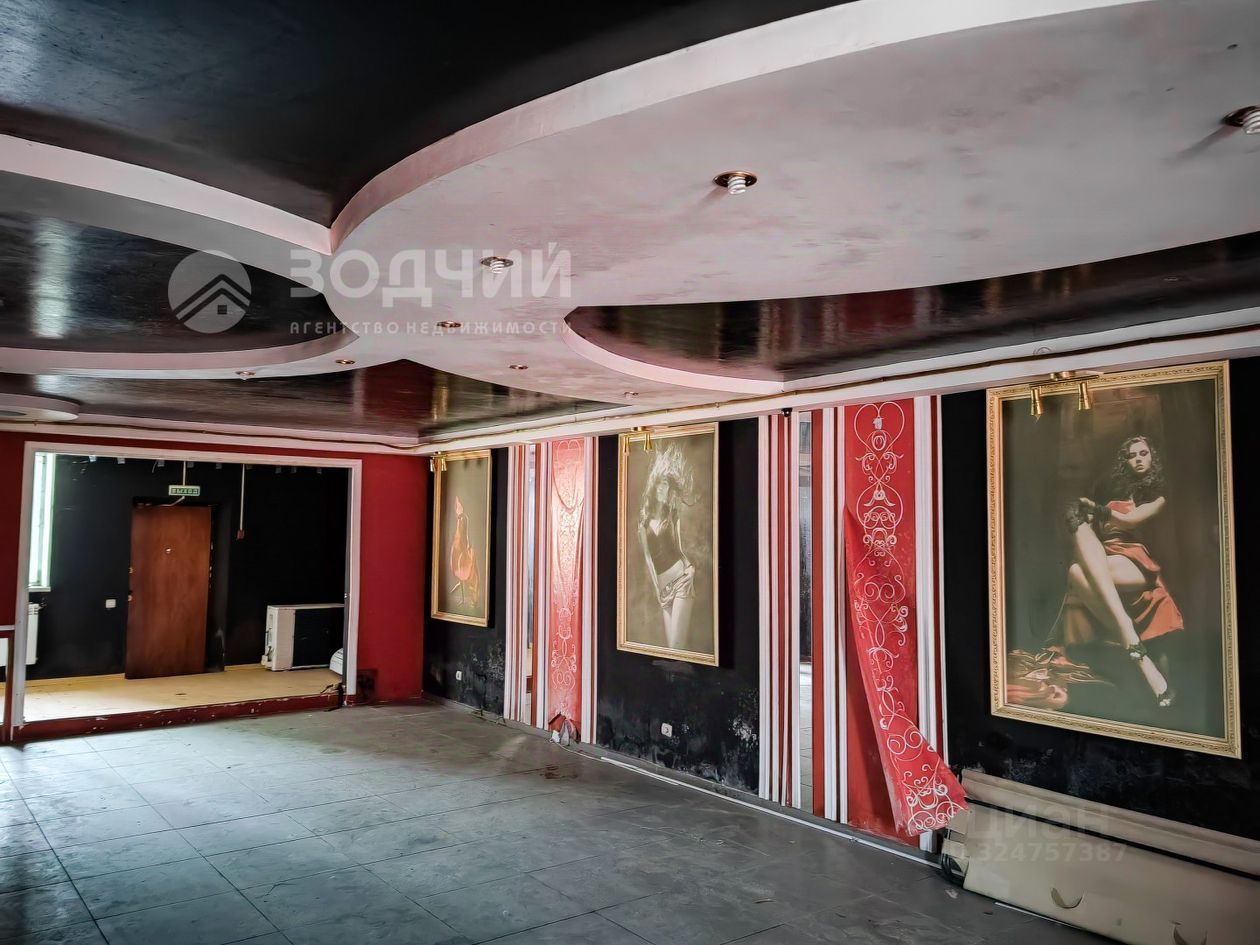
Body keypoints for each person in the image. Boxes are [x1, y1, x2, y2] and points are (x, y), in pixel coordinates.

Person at [1054, 435, 1182, 708]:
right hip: (1103, 556)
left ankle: (1129, 636)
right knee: (1075, 569)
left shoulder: (1158, 496)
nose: (1138, 459)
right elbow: (1091, 529)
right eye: (1132, 455)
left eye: (1143, 453)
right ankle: (1138, 653)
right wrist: (1082, 514)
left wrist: (1097, 509)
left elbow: (1128, 520)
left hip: (1134, 561)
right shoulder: (1111, 491)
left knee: (1078, 569)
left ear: (1153, 456)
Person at [638, 444, 697, 650]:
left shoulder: (672, 514)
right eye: (660, 484)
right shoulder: (644, 521)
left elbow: (680, 549)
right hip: (663, 590)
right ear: (654, 488)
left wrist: (691, 569)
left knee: (676, 646)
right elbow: (648, 557)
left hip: (681, 582)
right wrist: (657, 590)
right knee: (672, 649)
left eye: (666, 485)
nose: (663, 488)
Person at [449, 494, 480, 608]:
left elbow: (466, 534)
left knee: (463, 570)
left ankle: (463, 596)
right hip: (459, 545)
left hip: (463, 546)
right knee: (458, 569)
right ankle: (461, 596)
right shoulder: (460, 518)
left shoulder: (465, 518)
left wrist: (467, 545)